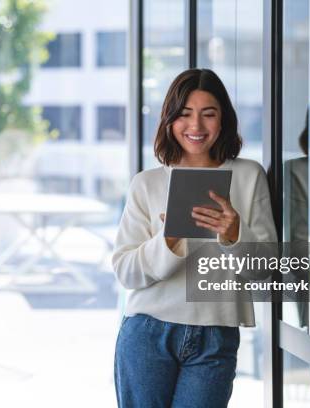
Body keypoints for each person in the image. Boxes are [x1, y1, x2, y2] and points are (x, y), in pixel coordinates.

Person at [112, 68, 277, 407]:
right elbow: (125, 271)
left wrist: (234, 234)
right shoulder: (147, 183)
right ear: (170, 120)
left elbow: (267, 268)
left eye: (209, 114)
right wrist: (168, 239)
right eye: (185, 114)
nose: (196, 127)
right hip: (147, 332)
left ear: (224, 119)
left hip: (215, 335)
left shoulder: (248, 176)